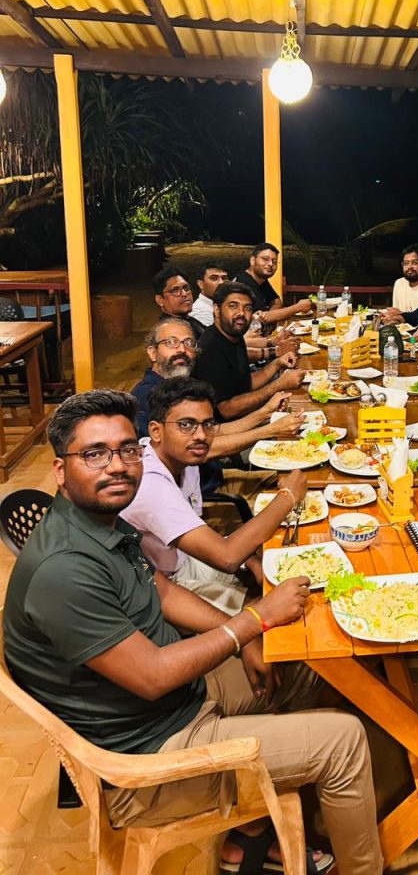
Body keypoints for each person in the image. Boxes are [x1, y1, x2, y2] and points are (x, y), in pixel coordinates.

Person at [3, 390, 381, 875]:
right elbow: (153, 676)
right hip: (147, 756)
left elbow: (161, 592)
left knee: (304, 664)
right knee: (344, 741)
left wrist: (246, 637)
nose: (117, 466)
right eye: (94, 454)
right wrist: (254, 620)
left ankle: (255, 832)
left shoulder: (100, 523)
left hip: (177, 700)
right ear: (60, 469)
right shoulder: (64, 570)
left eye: (126, 450)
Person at [121, 377, 306, 615]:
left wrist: (247, 559)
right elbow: (227, 557)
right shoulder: (149, 483)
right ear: (156, 431)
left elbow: (200, 530)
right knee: (282, 608)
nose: (200, 435)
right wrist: (288, 496)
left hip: (184, 558)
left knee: (275, 571)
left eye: (207, 424)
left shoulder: (182, 458)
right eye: (186, 425)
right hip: (162, 587)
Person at [132, 317, 303, 450]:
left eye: (189, 343)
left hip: (215, 472)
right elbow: (193, 449)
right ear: (152, 353)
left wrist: (266, 412)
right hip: (205, 482)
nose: (182, 349)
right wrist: (268, 430)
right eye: (171, 342)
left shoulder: (184, 385)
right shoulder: (146, 396)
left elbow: (214, 431)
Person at [194, 282, 304, 421]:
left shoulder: (233, 335)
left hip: (244, 415)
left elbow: (245, 383)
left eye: (247, 308)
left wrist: (277, 364)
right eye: (233, 306)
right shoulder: (210, 348)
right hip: (225, 427)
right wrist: (278, 385)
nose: (241, 313)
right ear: (217, 310)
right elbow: (226, 410)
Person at [236, 243, 312, 325]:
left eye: (274, 261)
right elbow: (258, 319)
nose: (271, 264)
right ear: (253, 260)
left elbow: (276, 301)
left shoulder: (261, 280)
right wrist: (298, 307)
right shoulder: (242, 284)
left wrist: (271, 315)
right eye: (265, 259)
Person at [152, 265, 206, 340]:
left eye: (186, 288)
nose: (184, 294)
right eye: (175, 290)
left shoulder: (189, 320)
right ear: (160, 300)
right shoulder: (170, 333)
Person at [386, 244, 418, 316]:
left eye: (415, 263)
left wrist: (402, 315)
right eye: (406, 263)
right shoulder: (399, 283)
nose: (410, 267)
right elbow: (395, 314)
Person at [189, 259, 229, 328]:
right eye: (214, 278)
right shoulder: (200, 312)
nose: (221, 282)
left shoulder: (222, 304)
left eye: (224, 278)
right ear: (201, 284)